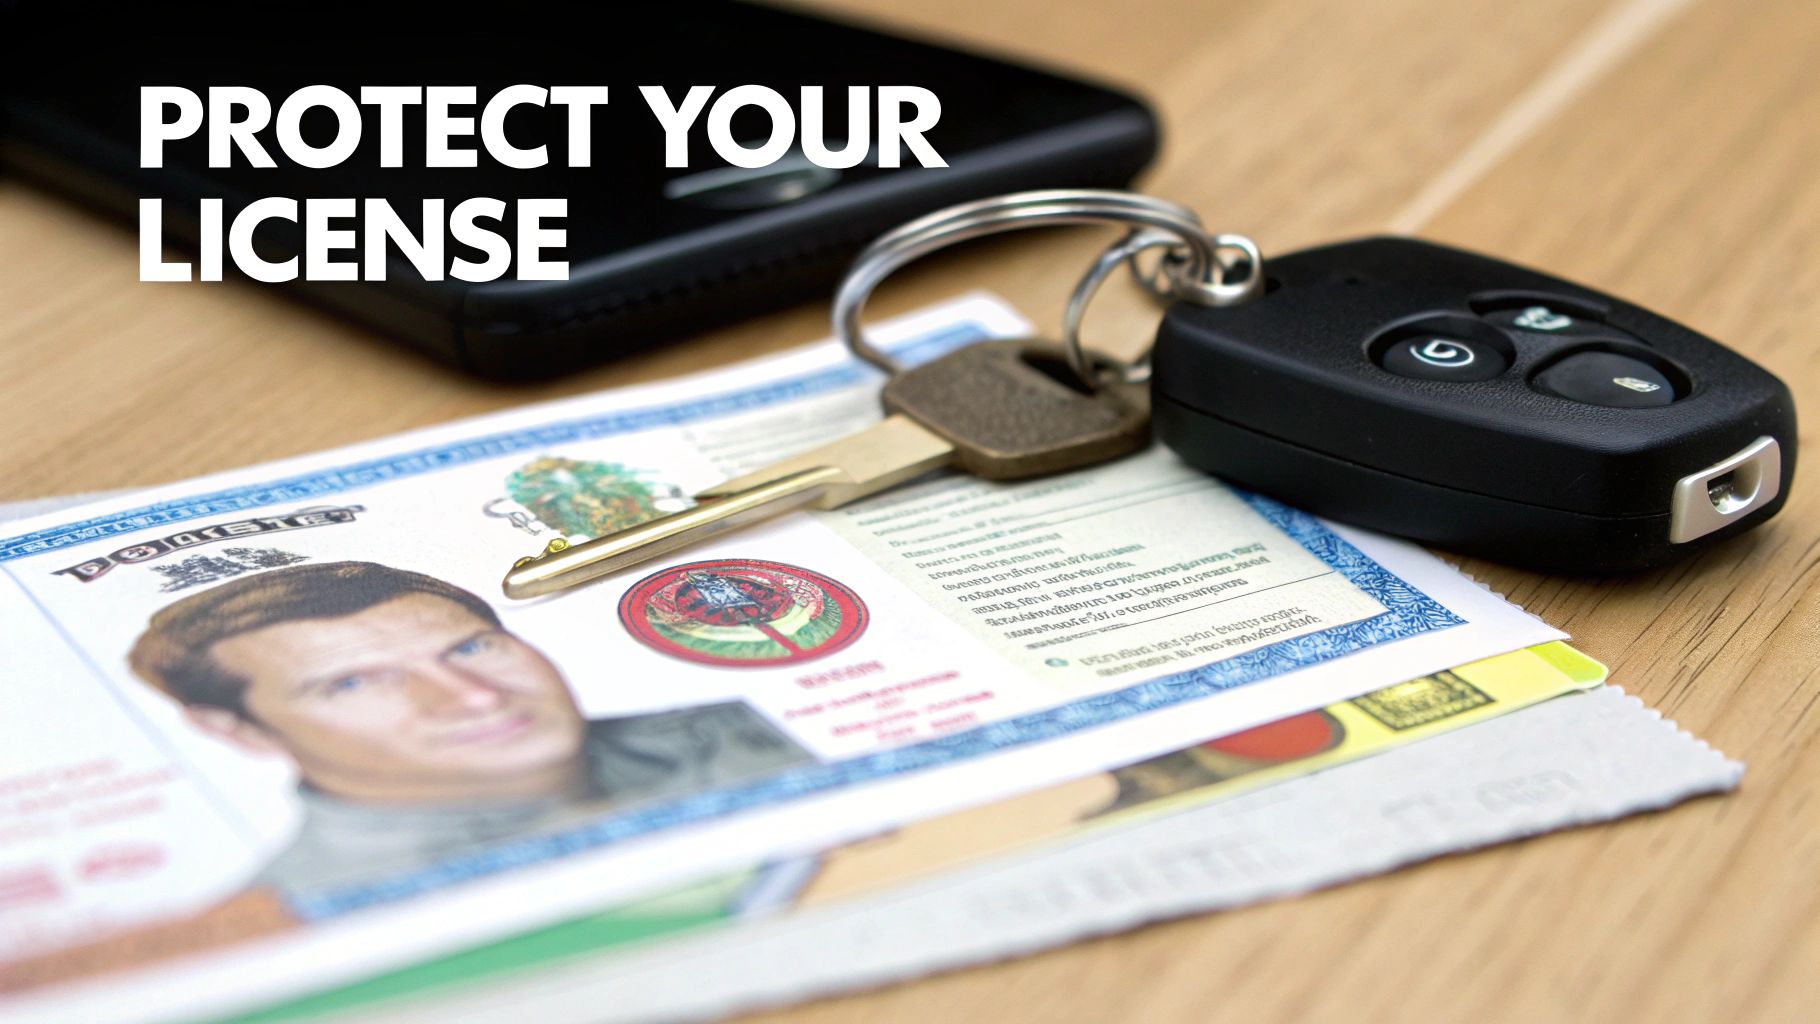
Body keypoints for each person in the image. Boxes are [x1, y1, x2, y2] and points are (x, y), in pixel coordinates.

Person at [128, 561, 813, 895]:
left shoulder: (744, 723)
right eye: (353, 682)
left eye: (471, 648)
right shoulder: (302, 908)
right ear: (240, 730)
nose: (474, 697)